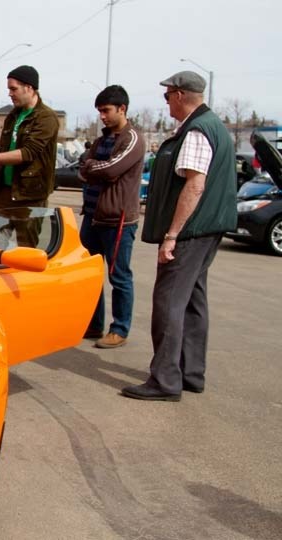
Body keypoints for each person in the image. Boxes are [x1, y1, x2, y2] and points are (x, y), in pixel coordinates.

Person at [122, 71, 237, 402]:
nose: (166, 103)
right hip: (207, 228)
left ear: (179, 95)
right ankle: (190, 373)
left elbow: (195, 184)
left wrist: (172, 235)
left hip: (190, 231)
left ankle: (165, 380)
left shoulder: (198, 130)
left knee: (169, 299)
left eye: (167, 96)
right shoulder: (212, 126)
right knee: (193, 300)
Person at [78, 85, 146, 349]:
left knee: (119, 276)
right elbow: (85, 169)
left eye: (106, 111)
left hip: (117, 220)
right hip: (93, 217)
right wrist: (96, 168)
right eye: (99, 111)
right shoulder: (101, 140)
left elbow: (112, 169)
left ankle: (119, 329)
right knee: (91, 275)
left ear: (122, 109)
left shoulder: (132, 139)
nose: (102, 116)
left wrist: (95, 167)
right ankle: (94, 324)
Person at [0, 65, 59, 248]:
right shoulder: (12, 116)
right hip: (3, 193)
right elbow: (5, 149)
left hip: (30, 196)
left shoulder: (46, 118)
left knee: (28, 253)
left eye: (13, 89)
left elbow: (28, 153)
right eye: (9, 89)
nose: (10, 94)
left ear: (29, 88)